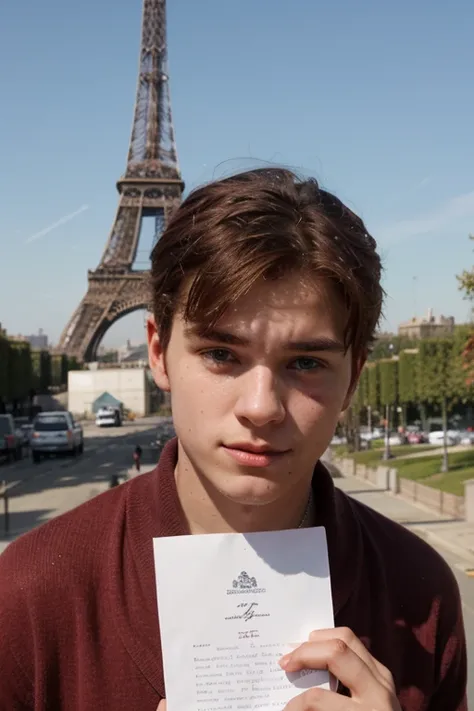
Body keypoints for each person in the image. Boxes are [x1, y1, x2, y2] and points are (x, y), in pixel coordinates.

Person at [0, 168, 466, 711]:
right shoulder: (29, 594)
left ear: (353, 378)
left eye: (307, 362)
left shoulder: (423, 591)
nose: (261, 407)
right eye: (221, 355)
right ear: (158, 351)